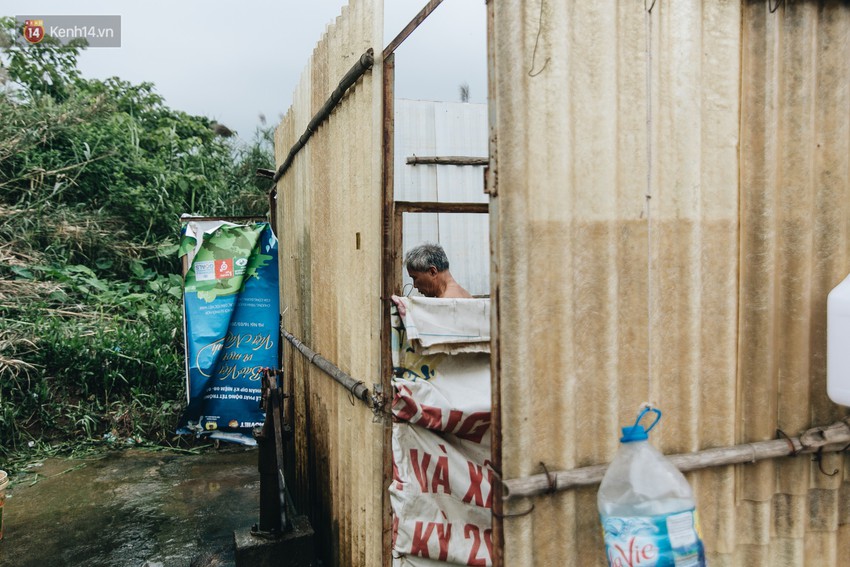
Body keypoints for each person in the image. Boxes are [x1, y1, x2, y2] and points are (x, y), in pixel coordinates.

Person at [404, 242, 472, 299]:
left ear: (432, 272)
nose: (414, 285)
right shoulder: (465, 295)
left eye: (415, 278)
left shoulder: (446, 303)